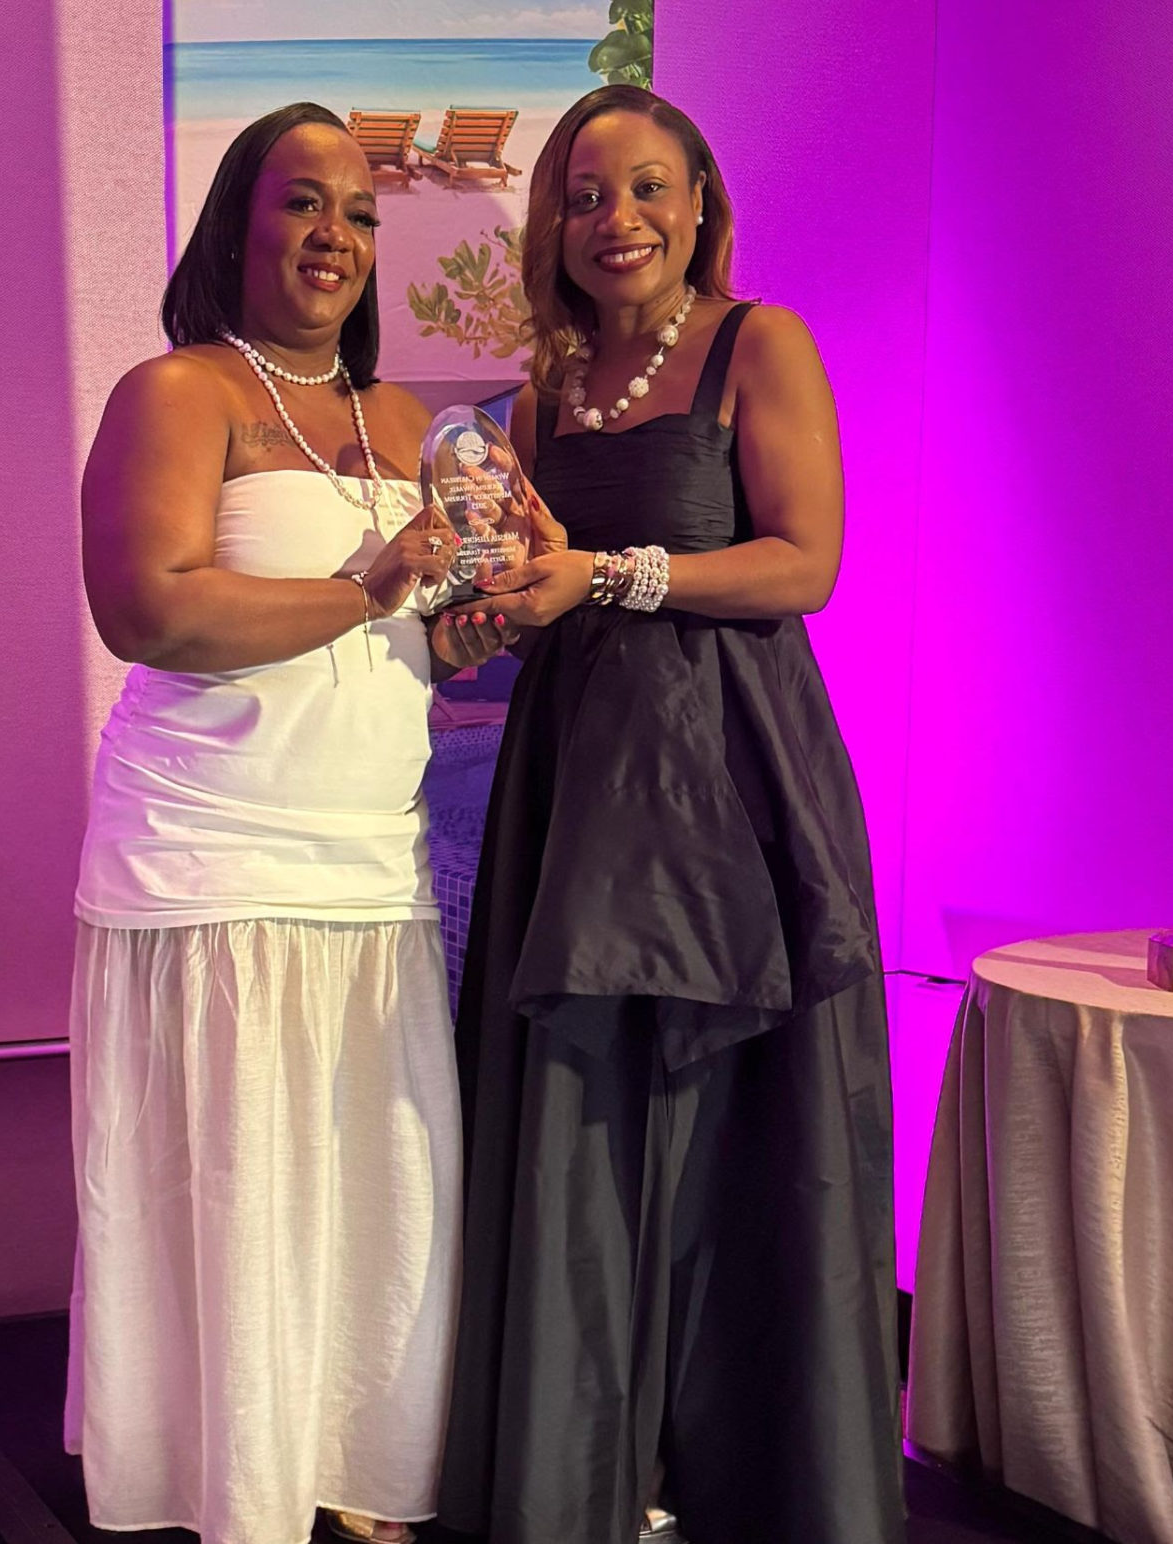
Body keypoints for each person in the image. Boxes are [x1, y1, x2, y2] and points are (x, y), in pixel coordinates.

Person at [435, 86, 903, 1543]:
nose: (617, 219)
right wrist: (489, 611)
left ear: (701, 205)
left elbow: (806, 565)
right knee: (582, 1115)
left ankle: (751, 1473)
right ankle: (590, 1473)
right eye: (585, 196)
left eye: (647, 188)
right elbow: (538, 592)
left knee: (742, 1123)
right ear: (554, 227)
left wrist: (610, 575)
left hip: (737, 778)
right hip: (577, 788)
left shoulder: (761, 345)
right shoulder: (536, 400)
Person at [69, 103, 504, 1544]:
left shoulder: (411, 421)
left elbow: (430, 636)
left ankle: (354, 1459)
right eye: (304, 203)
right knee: (236, 1190)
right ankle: (228, 1483)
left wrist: (467, 625)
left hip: (370, 860)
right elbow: (150, 612)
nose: (338, 235)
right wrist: (369, 588)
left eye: (361, 214)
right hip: (211, 856)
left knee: (375, 1190)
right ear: (237, 226)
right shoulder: (177, 391)